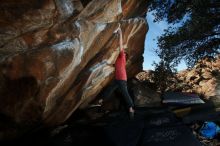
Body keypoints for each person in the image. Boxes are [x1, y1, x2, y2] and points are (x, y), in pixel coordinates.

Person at [98, 23, 135, 119]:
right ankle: (100, 101)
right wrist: (105, 63)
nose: (122, 51)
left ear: (125, 55)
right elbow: (113, 65)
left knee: (125, 94)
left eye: (124, 52)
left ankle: (131, 109)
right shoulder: (118, 60)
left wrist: (120, 32)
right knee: (109, 89)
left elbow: (120, 44)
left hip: (122, 79)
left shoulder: (122, 57)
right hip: (117, 79)